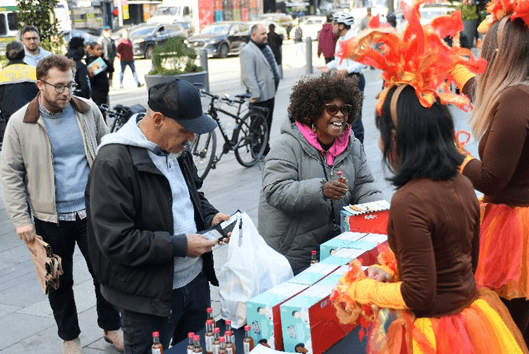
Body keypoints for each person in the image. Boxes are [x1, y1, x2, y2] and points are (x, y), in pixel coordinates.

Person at [329, 4, 528, 352]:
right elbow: (467, 261)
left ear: (397, 138)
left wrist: (360, 289)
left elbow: (420, 294)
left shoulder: (409, 201)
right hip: (474, 321)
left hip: (436, 334)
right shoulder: (464, 186)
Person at [86, 79, 231, 354]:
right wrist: (180, 245)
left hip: (195, 283)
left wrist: (210, 217)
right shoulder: (113, 162)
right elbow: (116, 241)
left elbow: (191, 195)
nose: (190, 139)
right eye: (185, 130)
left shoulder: (175, 149)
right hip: (148, 299)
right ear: (158, 119)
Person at [0, 55, 122, 354]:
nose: (66, 92)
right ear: (40, 85)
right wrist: (21, 221)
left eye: (70, 85)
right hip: (48, 218)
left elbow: (107, 151)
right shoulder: (21, 122)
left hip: (91, 213)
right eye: (59, 86)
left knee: (104, 274)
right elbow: (10, 173)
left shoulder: (87, 109)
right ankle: (70, 337)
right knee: (57, 280)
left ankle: (111, 327)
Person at [452, 4, 529, 345]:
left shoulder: (517, 98)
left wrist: (451, 155)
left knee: (514, 329)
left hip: (516, 233)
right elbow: (485, 92)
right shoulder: (517, 92)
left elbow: (492, 177)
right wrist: (455, 71)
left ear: (501, 51)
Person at [258, 74, 382, 275]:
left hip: (335, 246)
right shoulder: (286, 146)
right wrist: (320, 189)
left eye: (345, 109)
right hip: (292, 253)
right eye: (332, 109)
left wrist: (382, 210)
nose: (340, 115)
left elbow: (363, 185)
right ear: (311, 113)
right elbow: (275, 190)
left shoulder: (353, 145)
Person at [321, 13, 366, 144]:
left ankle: (358, 147)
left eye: (334, 24)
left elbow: (362, 62)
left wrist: (347, 70)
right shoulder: (341, 39)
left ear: (341, 26)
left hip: (354, 80)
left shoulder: (354, 39)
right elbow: (338, 60)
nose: (332, 26)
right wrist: (328, 66)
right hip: (343, 81)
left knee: (354, 117)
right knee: (343, 115)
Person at [240, 24, 280, 156]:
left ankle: (265, 147)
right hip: (259, 95)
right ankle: (256, 150)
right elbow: (248, 75)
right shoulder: (248, 50)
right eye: (262, 34)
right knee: (257, 125)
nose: (265, 36)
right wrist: (255, 93)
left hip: (269, 92)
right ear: (253, 36)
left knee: (267, 123)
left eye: (265, 33)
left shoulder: (266, 48)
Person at [0, 41, 39, 149]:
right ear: (23, 54)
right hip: (34, 123)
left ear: (7, 56)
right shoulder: (35, 72)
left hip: (9, 125)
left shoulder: (1, 75)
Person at [86, 42, 114, 108]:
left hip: (104, 90)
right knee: (101, 112)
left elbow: (111, 69)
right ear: (92, 51)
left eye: (101, 49)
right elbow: (92, 78)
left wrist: (103, 59)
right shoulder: (92, 61)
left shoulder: (101, 60)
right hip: (97, 91)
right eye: (97, 49)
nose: (100, 51)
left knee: (105, 111)